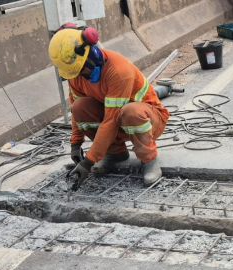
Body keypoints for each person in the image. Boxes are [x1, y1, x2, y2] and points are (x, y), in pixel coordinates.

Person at [48, 28, 169, 188]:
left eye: (81, 70)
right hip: (117, 121)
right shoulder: (76, 74)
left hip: (150, 120)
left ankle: (149, 160)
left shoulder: (119, 71)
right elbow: (77, 114)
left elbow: (111, 121)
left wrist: (88, 161)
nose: (79, 76)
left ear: (91, 56)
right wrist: (75, 144)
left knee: (131, 112)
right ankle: (115, 153)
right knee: (79, 107)